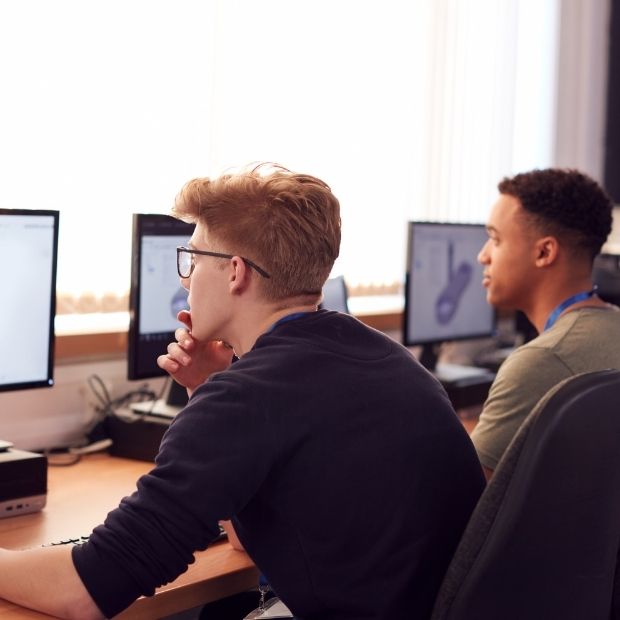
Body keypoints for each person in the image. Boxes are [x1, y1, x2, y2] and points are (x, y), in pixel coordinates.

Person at [0, 163, 485, 620]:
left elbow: (87, 591)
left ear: (235, 272)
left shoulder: (247, 397)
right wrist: (208, 387)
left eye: (191, 259)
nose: (185, 281)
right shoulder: (384, 357)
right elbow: (251, 541)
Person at [470, 168, 620, 480]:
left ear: (544, 252)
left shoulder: (541, 362)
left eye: (495, 239)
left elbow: (462, 502)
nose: (482, 256)